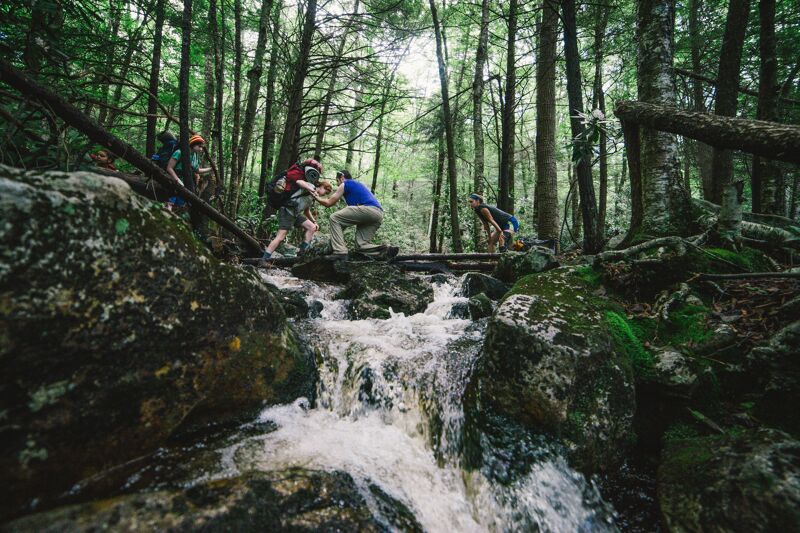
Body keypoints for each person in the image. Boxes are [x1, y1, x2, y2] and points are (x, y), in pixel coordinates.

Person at [313, 170, 398, 260]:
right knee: (361, 246)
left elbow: (329, 203)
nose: (338, 185)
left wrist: (316, 196)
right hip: (378, 214)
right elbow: (341, 225)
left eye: (337, 181)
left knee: (334, 218)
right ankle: (384, 250)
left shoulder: (346, 183)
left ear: (342, 177)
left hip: (368, 209)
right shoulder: (358, 185)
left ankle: (340, 252)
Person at [262, 180, 333, 260]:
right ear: (322, 186)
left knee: (312, 227)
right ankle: (264, 259)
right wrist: (311, 190)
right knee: (280, 237)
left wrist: (314, 221)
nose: (324, 195)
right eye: (325, 192)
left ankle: (301, 255)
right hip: (287, 211)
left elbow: (306, 211)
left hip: (295, 214)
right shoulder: (311, 186)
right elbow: (299, 182)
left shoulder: (313, 198)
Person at [165, 134, 211, 211]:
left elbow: (197, 170)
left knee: (179, 206)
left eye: (202, 147)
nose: (201, 149)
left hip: (186, 183)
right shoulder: (179, 152)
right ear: (193, 144)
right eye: (199, 146)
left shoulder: (195, 156)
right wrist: (177, 180)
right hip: (174, 181)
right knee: (170, 204)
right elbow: (169, 168)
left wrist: (210, 169)